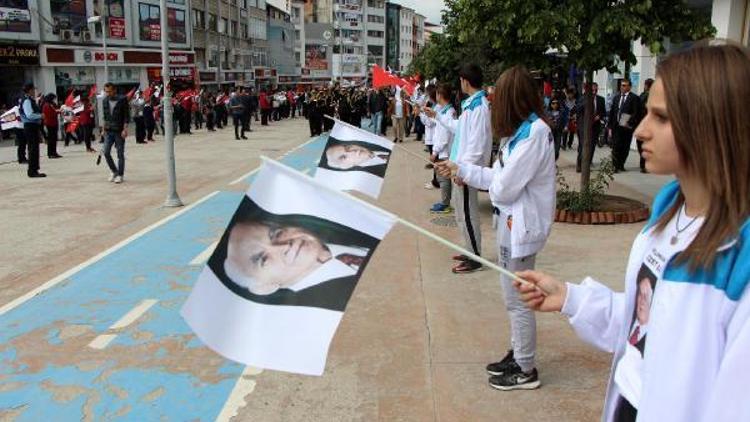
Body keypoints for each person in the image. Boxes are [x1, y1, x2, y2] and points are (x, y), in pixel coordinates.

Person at [514, 44, 750, 421]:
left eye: (661, 118)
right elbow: (646, 322)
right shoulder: (669, 212)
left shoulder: (741, 262)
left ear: (710, 124)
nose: (641, 130)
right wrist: (570, 298)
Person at [436, 65, 556, 390]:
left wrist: (475, 174)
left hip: (522, 229)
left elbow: (503, 188)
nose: (493, 102)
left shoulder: (535, 134)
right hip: (510, 224)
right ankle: (518, 352)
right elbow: (496, 177)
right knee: (511, 298)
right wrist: (461, 168)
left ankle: (525, 368)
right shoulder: (518, 134)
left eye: (498, 96)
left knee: (517, 299)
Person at [426, 63, 493, 274]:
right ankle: (470, 250)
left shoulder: (479, 107)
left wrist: (464, 171)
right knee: (463, 214)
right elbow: (459, 129)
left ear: (465, 81)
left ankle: (475, 258)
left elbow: (477, 144)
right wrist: (437, 116)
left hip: (465, 170)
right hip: (460, 168)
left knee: (468, 213)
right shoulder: (471, 105)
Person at [429, 83, 456, 214]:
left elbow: (443, 137)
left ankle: (446, 204)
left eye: (437, 94)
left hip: (444, 151)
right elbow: (435, 123)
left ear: (440, 95)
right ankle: (446, 202)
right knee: (443, 177)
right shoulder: (444, 110)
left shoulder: (449, 112)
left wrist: (435, 152)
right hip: (443, 150)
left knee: (443, 178)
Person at [608, 78, 643, 172]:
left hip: (627, 127)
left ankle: (620, 164)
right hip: (616, 126)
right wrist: (610, 126)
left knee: (625, 147)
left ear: (629, 87)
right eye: (621, 85)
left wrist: (629, 121)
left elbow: (636, 113)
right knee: (616, 146)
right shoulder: (616, 97)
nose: (622, 87)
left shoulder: (634, 98)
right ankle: (614, 166)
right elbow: (612, 112)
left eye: (624, 85)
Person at [101, 82, 129, 184]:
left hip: (119, 131)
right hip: (109, 130)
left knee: (120, 154)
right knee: (106, 152)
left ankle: (120, 175)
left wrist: (125, 129)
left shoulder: (122, 100)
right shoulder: (104, 101)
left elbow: (126, 116)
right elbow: (105, 116)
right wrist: (103, 129)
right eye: (106, 91)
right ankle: (114, 171)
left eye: (109, 91)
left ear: (114, 90)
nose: (107, 93)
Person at [575, 82, 607, 172]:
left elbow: (603, 112)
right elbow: (578, 110)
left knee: (592, 146)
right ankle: (579, 164)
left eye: (596, 90)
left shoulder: (601, 99)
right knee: (582, 145)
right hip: (583, 126)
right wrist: (587, 100)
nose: (594, 91)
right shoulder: (583, 98)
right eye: (592, 90)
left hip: (595, 126)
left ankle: (587, 164)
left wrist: (599, 116)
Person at [19, 82, 45, 178]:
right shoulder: (27, 101)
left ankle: (34, 169)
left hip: (32, 126)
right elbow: (29, 114)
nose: (34, 91)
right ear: (30, 90)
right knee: (33, 149)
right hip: (30, 126)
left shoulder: (29, 100)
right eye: (33, 89)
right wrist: (40, 116)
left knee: (34, 148)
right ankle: (32, 171)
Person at [323, 140, 390, 171]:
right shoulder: (370, 176)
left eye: (347, 148)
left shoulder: (377, 142)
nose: (352, 151)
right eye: (344, 157)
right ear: (345, 166)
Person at [637, 78, 654, 173]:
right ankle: (644, 163)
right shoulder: (643, 95)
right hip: (641, 122)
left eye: (645, 84)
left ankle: (644, 165)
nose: (644, 86)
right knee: (640, 143)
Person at [41, 93, 62, 159]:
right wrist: (57, 112)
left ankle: (54, 152)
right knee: (51, 139)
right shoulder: (46, 105)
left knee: (54, 139)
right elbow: (49, 114)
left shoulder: (52, 104)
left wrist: (58, 110)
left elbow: (55, 110)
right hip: (49, 123)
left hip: (54, 122)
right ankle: (50, 153)